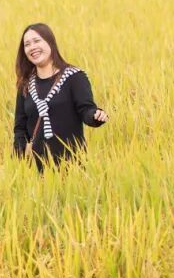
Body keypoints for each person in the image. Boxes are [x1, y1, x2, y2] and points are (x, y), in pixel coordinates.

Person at [13, 23, 108, 170]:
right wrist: (20, 157)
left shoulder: (74, 77)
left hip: (73, 165)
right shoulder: (26, 84)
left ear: (50, 42)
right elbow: (20, 128)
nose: (32, 47)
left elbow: (86, 110)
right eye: (27, 44)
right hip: (36, 169)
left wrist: (96, 115)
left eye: (37, 41)